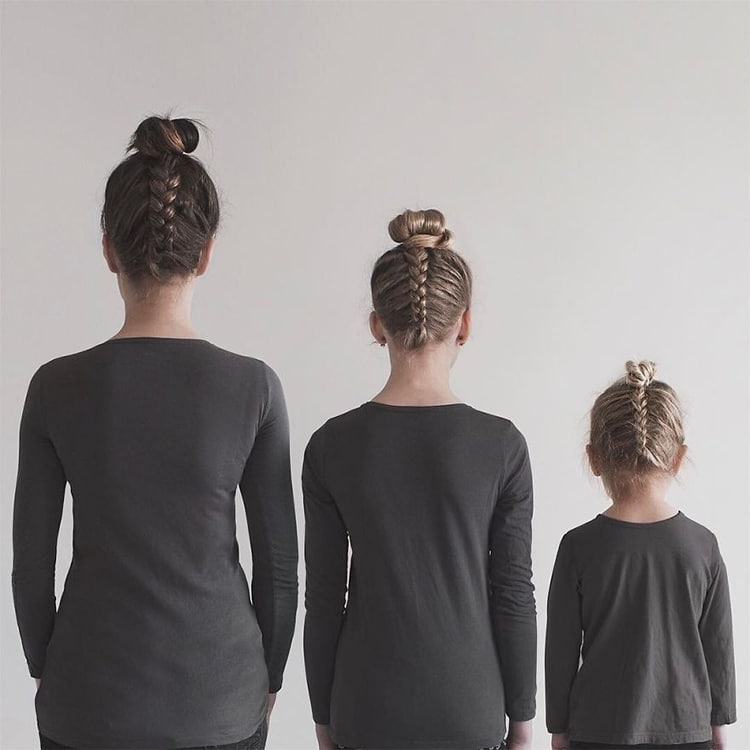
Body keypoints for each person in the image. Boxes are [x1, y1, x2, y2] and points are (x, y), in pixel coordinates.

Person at [11, 115, 299, 750]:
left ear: (109, 249)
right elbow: (279, 565)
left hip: (88, 698)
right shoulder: (254, 387)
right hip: (222, 699)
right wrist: (268, 677)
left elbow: (30, 566)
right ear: (206, 253)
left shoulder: (55, 386)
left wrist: (47, 667)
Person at [302, 209, 537, 750]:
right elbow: (512, 594)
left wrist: (323, 715)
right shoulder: (502, 445)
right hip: (470, 711)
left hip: (365, 709)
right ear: (466, 323)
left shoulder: (331, 445)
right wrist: (522, 720)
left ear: (377, 325)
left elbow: (324, 598)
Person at [545, 360, 736, 750]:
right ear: (678, 458)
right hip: (687, 731)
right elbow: (719, 647)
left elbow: (560, 650)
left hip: (597, 732)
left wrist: (558, 728)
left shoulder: (578, 546)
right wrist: (721, 728)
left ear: (594, 458)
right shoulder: (702, 545)